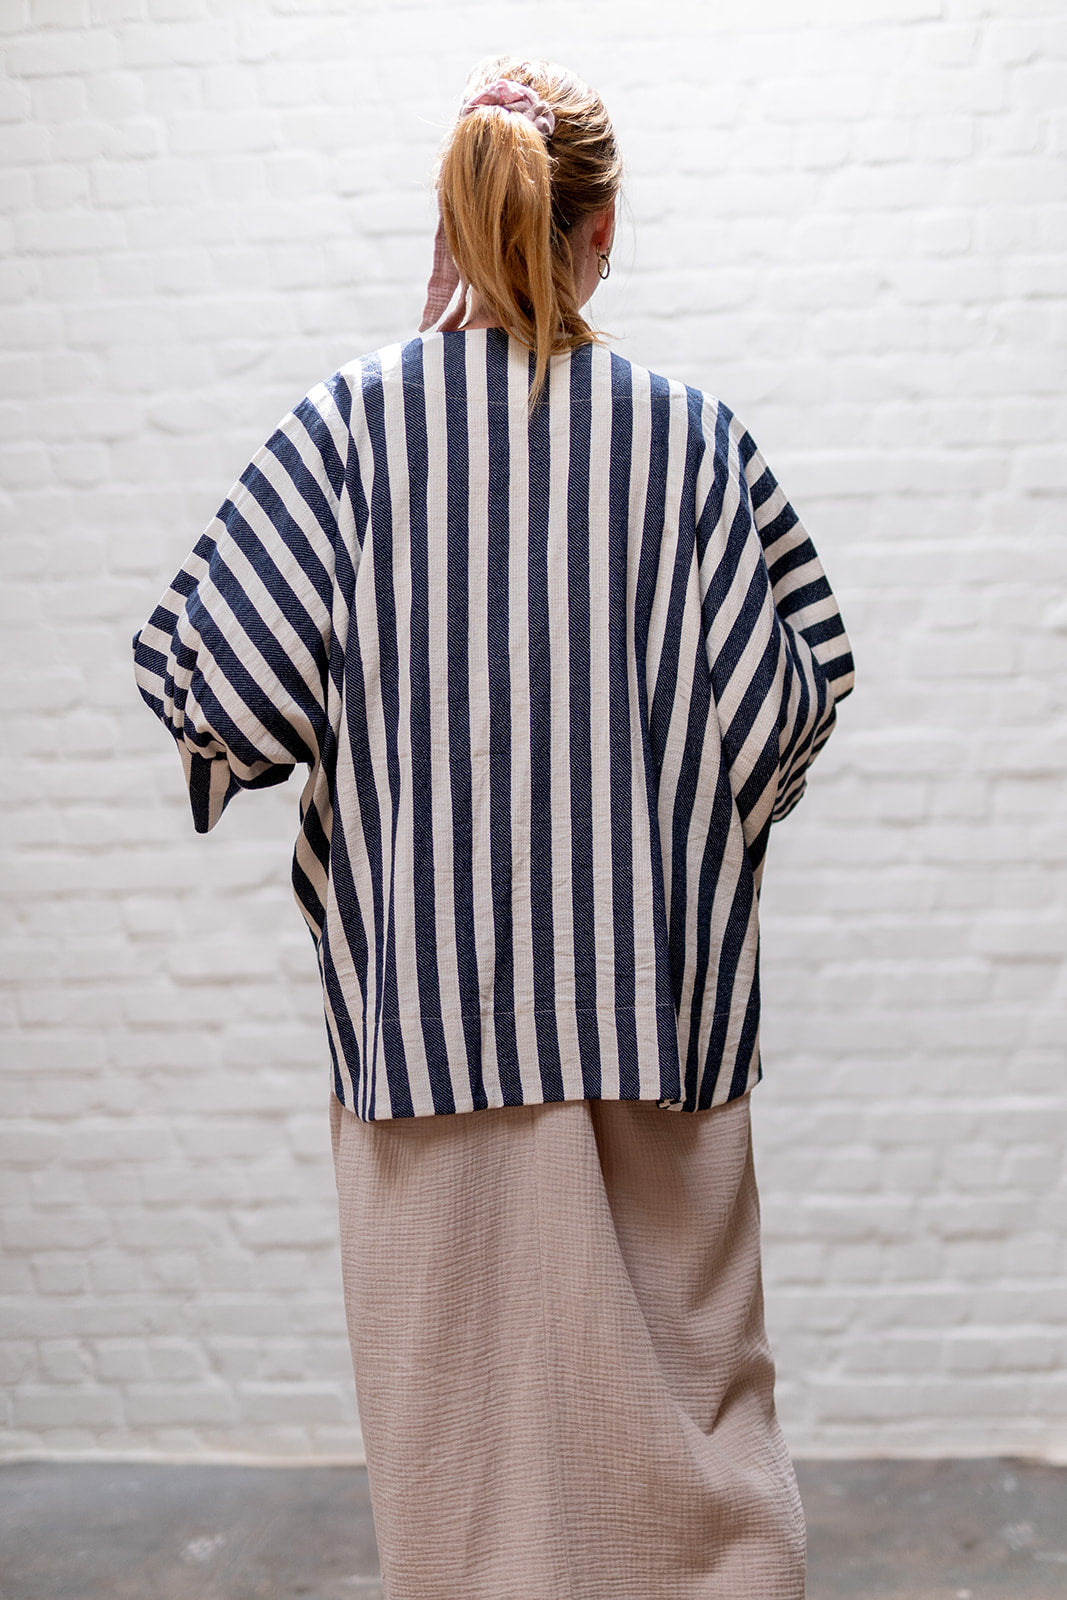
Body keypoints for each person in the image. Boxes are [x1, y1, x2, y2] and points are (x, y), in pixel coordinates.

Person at [133, 54, 853, 1600]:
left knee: (466, 1499)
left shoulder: (348, 433)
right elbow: (786, 710)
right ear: (603, 233)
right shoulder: (691, 442)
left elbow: (218, 695)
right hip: (658, 1035)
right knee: (697, 1462)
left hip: (427, 1047)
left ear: (453, 226)